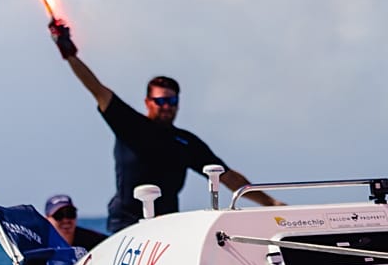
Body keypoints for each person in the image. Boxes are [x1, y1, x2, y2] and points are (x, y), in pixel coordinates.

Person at [47, 18, 285, 232]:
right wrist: (68, 52)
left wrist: (271, 203)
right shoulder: (130, 124)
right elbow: (96, 89)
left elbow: (228, 177)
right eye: (160, 101)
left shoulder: (185, 142)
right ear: (147, 102)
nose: (166, 106)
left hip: (168, 222)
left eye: (171, 100)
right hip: (126, 222)